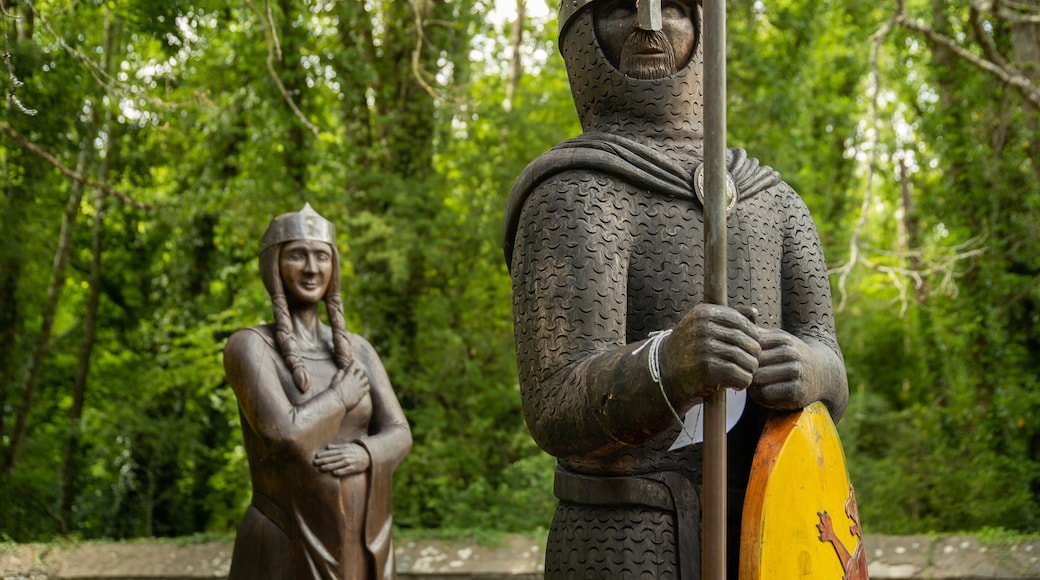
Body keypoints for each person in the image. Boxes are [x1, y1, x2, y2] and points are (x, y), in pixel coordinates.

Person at [503, 0, 849, 578]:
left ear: (705, 30)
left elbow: (831, 362)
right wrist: (667, 363)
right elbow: (555, 404)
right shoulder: (573, 194)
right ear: (581, 34)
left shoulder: (774, 201)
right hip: (623, 536)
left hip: (772, 521)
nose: (650, 25)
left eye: (676, 9)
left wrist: (808, 367)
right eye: (620, 8)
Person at [224, 204, 411, 580]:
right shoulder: (250, 347)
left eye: (321, 256)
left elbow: (400, 433)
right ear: (273, 266)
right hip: (286, 539)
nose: (312, 268)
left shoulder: (358, 350)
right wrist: (340, 397)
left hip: (363, 543)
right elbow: (285, 437)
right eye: (297, 255)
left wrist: (364, 452)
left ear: (334, 267)